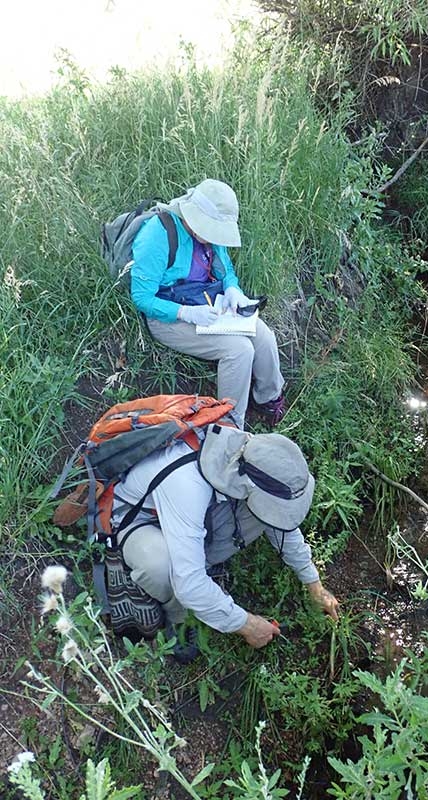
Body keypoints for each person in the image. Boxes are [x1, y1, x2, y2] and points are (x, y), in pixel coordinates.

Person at [112, 421, 340, 654]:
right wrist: (248, 625)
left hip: (196, 516)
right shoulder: (186, 484)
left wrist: (314, 585)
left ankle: (203, 580)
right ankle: (178, 616)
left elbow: (280, 521)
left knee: (261, 517)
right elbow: (188, 585)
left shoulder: (251, 458)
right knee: (161, 566)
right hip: (143, 520)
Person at [130, 179, 286, 429]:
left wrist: (233, 289)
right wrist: (186, 313)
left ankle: (268, 399)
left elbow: (226, 271)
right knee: (239, 351)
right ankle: (228, 426)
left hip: (209, 304)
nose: (214, 237)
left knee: (264, 336)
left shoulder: (209, 235)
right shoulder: (157, 236)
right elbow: (142, 298)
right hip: (169, 316)